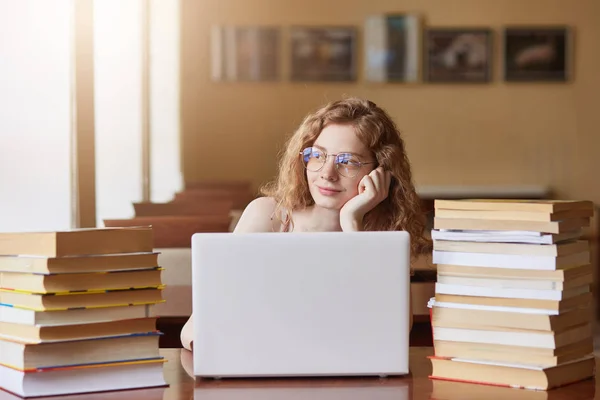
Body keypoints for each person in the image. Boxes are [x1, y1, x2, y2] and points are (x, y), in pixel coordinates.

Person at [180, 97, 430, 351]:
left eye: (348, 161)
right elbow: (194, 330)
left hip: (345, 381)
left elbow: (392, 333)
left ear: (381, 172)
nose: (327, 173)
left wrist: (351, 222)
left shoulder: (384, 237)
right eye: (317, 155)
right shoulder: (270, 216)